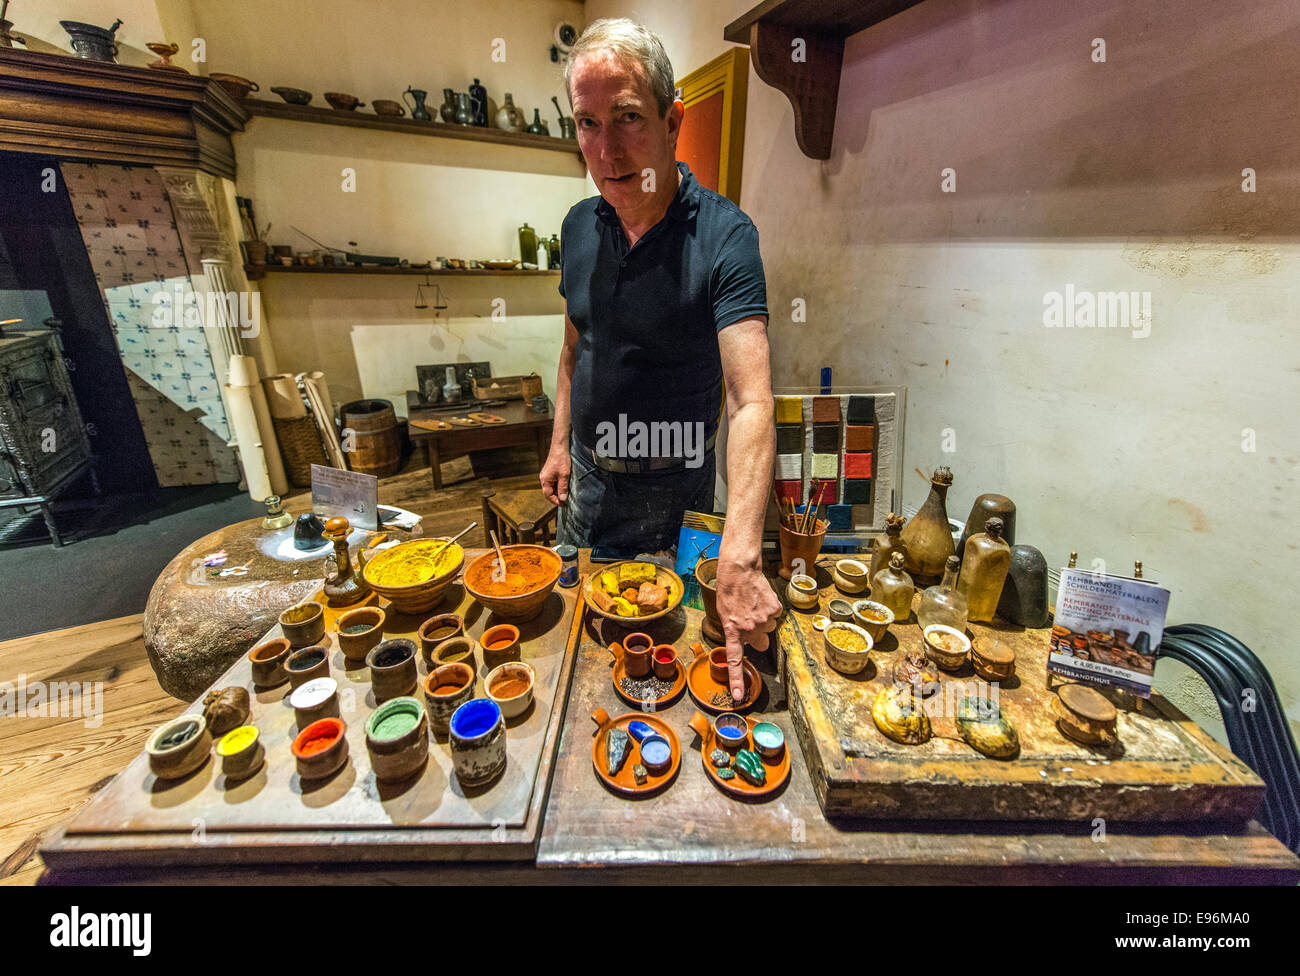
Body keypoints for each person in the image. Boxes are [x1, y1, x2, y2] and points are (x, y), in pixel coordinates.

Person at [540, 18, 782, 700]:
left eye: (627, 119)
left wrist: (740, 546)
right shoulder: (577, 228)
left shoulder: (725, 237)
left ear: (673, 118)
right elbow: (571, 348)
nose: (607, 151)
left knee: (675, 646)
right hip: (590, 477)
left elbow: (752, 399)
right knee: (589, 646)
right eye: (587, 123)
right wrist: (560, 443)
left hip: (678, 483)